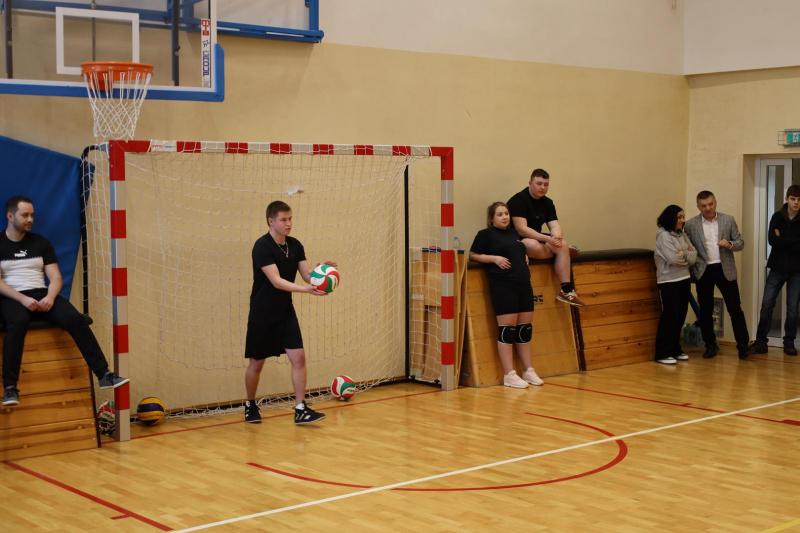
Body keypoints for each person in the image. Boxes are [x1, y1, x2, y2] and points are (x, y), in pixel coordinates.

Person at [0, 196, 127, 407]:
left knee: (75, 318)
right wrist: (22, 299)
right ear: (10, 216)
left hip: (42, 293)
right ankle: (10, 388)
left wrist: (50, 297)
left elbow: (56, 277)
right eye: (25, 215)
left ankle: (104, 374)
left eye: (32, 215)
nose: (30, 219)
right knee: (17, 322)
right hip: (13, 296)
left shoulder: (41, 243)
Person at [244, 200, 333, 424]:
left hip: (285, 311)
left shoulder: (295, 245)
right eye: (283, 220)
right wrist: (306, 290)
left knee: (299, 358)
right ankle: (250, 404)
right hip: (262, 313)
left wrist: (322, 273)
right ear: (271, 221)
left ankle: (300, 409)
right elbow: (276, 281)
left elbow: (307, 276)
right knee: (257, 363)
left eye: (290, 219)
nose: (288, 223)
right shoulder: (262, 247)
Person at [469, 201, 544, 389]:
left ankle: (528, 370)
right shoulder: (485, 235)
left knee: (524, 330)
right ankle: (509, 374)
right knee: (507, 331)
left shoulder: (514, 234)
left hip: (523, 285)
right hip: (503, 286)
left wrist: (523, 256)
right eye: (500, 214)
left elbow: (517, 251)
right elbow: (473, 255)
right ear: (491, 218)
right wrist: (494, 258)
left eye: (506, 214)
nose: (504, 217)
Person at [684, 191, 750, 359]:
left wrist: (729, 244)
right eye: (703, 205)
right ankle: (710, 345)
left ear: (715, 202)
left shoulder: (728, 220)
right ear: (698, 206)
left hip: (725, 269)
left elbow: (740, 243)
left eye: (710, 204)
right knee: (705, 311)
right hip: (703, 270)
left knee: (735, 309)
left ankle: (743, 346)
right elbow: (688, 249)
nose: (708, 208)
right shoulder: (690, 225)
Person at [508, 168, 584, 306]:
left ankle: (566, 291)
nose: (542, 187)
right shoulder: (518, 200)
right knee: (532, 244)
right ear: (530, 183)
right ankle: (563, 254)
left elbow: (555, 225)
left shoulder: (548, 202)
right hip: (518, 240)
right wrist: (548, 240)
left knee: (562, 244)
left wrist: (557, 237)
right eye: (539, 183)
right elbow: (522, 229)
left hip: (538, 238)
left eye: (546, 184)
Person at [749, 185, 800, 356]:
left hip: (797, 270)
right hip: (777, 267)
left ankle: (789, 342)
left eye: (799, 200)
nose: (796, 202)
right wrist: (793, 240)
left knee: (793, 308)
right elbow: (772, 240)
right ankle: (761, 342)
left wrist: (782, 238)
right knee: (767, 304)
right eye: (793, 199)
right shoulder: (777, 216)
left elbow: (783, 242)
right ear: (787, 199)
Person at [653, 205, 697, 365]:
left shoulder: (682, 234)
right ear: (671, 218)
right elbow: (673, 259)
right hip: (668, 281)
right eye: (679, 217)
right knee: (670, 316)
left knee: (680, 315)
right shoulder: (663, 236)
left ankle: (675, 349)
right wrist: (686, 254)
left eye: (683, 217)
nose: (682, 220)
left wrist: (683, 254)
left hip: (684, 278)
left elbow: (694, 256)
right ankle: (662, 352)